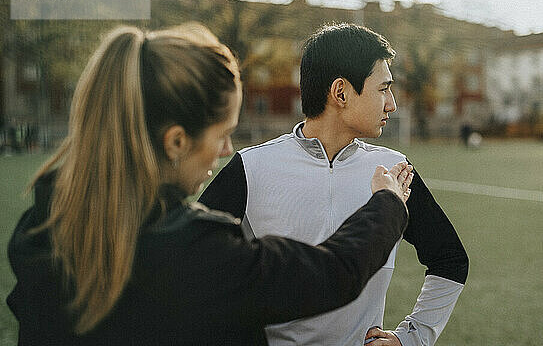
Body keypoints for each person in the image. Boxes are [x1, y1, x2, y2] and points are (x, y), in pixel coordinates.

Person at [7, 23, 414, 345]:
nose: (226, 150)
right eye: (222, 133)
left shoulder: (43, 224)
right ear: (177, 142)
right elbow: (330, 275)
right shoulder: (189, 251)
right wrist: (387, 204)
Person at [200, 23, 469, 346]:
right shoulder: (251, 167)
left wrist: (411, 338)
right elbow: (193, 270)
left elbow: (450, 259)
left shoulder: (393, 171)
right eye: (383, 88)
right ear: (341, 92)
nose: (392, 104)